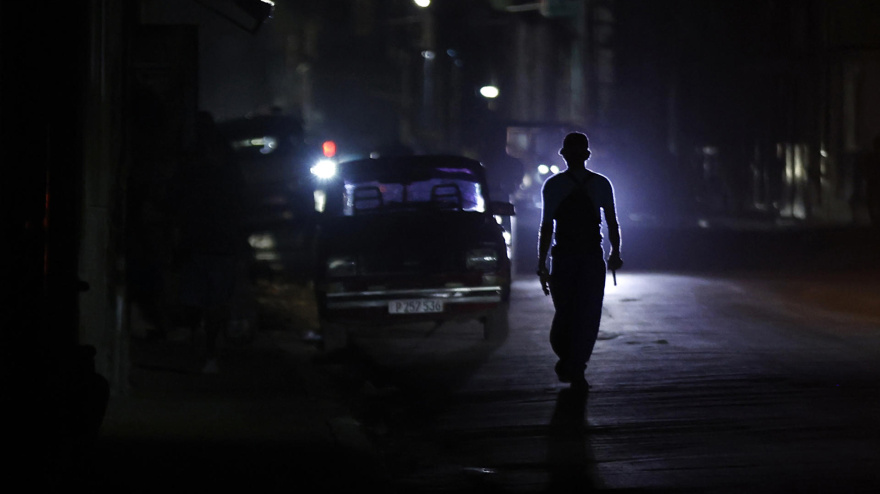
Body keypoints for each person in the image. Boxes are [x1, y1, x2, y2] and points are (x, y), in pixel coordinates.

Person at [536, 132, 623, 388]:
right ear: (587, 155)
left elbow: (546, 227)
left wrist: (542, 263)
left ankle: (570, 362)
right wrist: (615, 252)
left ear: (564, 156)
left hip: (563, 256)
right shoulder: (602, 184)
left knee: (565, 312)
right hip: (590, 257)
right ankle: (576, 364)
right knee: (588, 313)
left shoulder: (553, 186)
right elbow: (612, 223)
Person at [173, 111, 247, 374]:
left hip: (202, 243)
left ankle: (202, 350)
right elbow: (239, 203)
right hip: (216, 243)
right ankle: (208, 353)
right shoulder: (221, 165)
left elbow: (181, 202)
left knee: (199, 301)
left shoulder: (192, 164)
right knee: (212, 302)